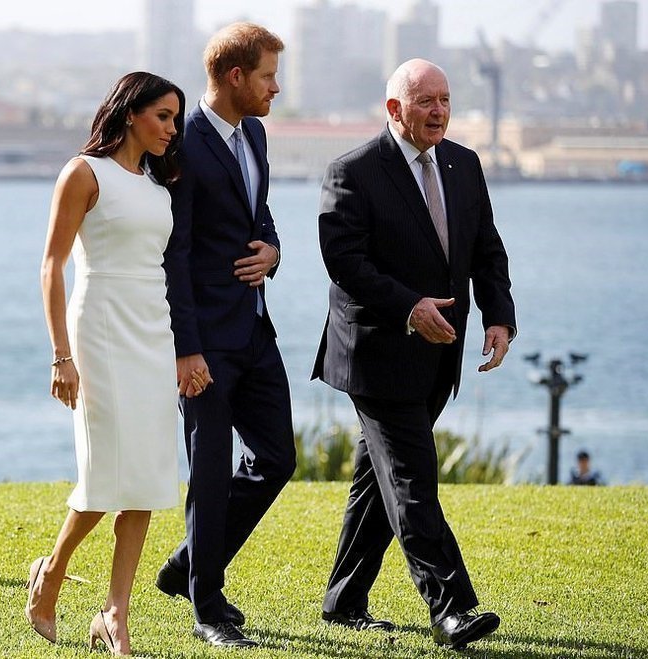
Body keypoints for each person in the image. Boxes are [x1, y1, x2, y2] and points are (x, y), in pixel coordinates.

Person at [311, 58, 517, 651]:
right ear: (394, 109)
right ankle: (452, 607)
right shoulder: (352, 170)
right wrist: (409, 307)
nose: (439, 111)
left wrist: (499, 316)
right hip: (376, 354)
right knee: (411, 478)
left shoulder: (464, 163)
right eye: (426, 100)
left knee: (378, 480)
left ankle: (344, 599)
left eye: (445, 99)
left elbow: (486, 248)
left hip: (439, 355)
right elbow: (344, 261)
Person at [32, 71, 193, 656]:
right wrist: (61, 356)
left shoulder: (158, 186)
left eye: (175, 119)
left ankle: (114, 615)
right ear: (130, 113)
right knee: (103, 475)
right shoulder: (83, 173)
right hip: (99, 327)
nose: (171, 129)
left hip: (152, 330)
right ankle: (51, 572)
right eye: (162, 116)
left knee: (146, 478)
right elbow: (52, 267)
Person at [159, 22, 296, 649]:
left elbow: (257, 214)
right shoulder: (182, 144)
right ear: (235, 76)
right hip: (205, 342)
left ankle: (187, 564)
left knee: (277, 459)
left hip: (255, 327)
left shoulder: (256, 134)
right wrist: (186, 349)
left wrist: (273, 250)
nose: (276, 88)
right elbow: (175, 253)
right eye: (267, 76)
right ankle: (207, 607)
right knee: (210, 470)